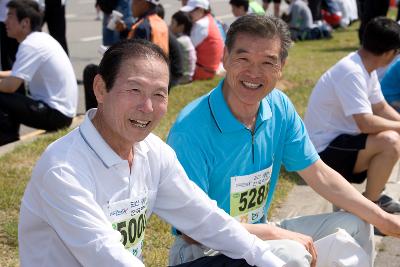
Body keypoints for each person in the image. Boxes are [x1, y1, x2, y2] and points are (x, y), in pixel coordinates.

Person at [19, 38, 291, 267]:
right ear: (101, 89)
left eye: (159, 94)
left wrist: (267, 258)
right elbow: (105, 255)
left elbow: (203, 217)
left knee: (249, 261)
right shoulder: (63, 170)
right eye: (134, 90)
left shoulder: (152, 152)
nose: (147, 107)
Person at [167, 14, 400, 267]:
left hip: (260, 232)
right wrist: (274, 234)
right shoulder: (191, 128)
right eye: (243, 58)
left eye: (268, 62)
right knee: (291, 254)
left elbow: (319, 174)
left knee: (357, 223)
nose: (254, 73)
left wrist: (384, 220)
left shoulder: (278, 106)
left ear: (282, 66)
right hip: (204, 250)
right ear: (225, 57)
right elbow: (193, 230)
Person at [304, 17, 400, 214]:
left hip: (339, 142)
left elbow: (380, 107)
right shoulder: (352, 72)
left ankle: (372, 199)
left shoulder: (364, 67)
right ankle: (370, 210)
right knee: (390, 142)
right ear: (389, 53)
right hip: (321, 153)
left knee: (392, 136)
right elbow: (365, 123)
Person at [0, 0, 77, 146]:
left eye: (10, 16)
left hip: (56, 115)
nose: (5, 21)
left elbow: (10, 86)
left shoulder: (30, 45)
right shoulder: (39, 39)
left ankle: (7, 141)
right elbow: (17, 73)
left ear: (25, 22)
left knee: (3, 94)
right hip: (62, 113)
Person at [83, 0, 168, 110]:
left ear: (142, 3)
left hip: (142, 77)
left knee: (91, 72)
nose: (131, 5)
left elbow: (136, 60)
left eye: (134, 2)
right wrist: (124, 31)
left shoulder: (142, 27)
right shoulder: (159, 22)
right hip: (159, 76)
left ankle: (97, 115)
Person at [180, 0, 224, 80]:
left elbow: (185, 48)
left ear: (200, 10)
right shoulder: (209, 18)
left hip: (203, 72)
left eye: (191, 11)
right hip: (210, 68)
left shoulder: (201, 25)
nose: (188, 14)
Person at [170, 11, 197, 84]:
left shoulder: (178, 41)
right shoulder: (186, 39)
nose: (170, 25)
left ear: (181, 26)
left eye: (173, 23)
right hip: (188, 76)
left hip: (181, 79)